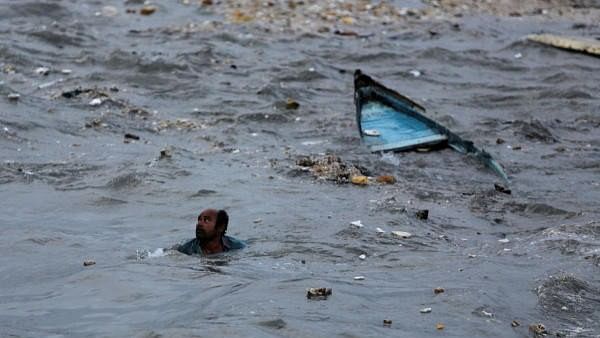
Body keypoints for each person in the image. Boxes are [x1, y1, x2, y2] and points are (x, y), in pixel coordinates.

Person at [174, 208, 245, 255]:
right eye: (199, 220)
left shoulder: (237, 246)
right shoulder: (186, 249)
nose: (199, 224)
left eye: (206, 220)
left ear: (220, 227)